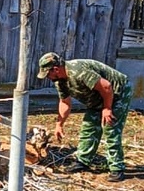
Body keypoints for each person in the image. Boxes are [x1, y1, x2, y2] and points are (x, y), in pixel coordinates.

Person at [36, 52, 133, 182]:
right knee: (89, 126)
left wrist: (107, 108)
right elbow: (65, 103)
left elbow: (106, 86)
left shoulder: (78, 72)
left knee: (110, 128)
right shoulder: (60, 81)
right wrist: (59, 124)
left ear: (56, 69)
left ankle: (117, 168)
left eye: (48, 74)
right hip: (97, 98)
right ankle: (83, 161)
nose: (48, 77)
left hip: (117, 92)